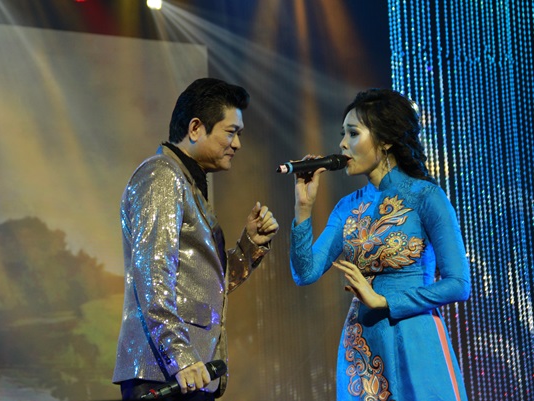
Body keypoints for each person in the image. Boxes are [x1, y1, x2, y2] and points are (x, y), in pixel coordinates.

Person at [290, 88, 471, 400]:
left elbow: (458, 284)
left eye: (353, 133)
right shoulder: (347, 207)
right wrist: (303, 209)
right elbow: (305, 273)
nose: (342, 144)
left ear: (385, 140)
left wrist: (385, 301)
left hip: (414, 339)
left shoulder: (426, 196)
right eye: (343, 134)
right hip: (363, 346)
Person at [113, 77, 279, 401]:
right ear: (195, 128)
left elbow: (205, 285)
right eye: (231, 132)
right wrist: (181, 356)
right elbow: (153, 274)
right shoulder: (162, 176)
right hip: (165, 375)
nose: (237, 144)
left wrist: (250, 246)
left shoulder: (186, 183)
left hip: (188, 373)